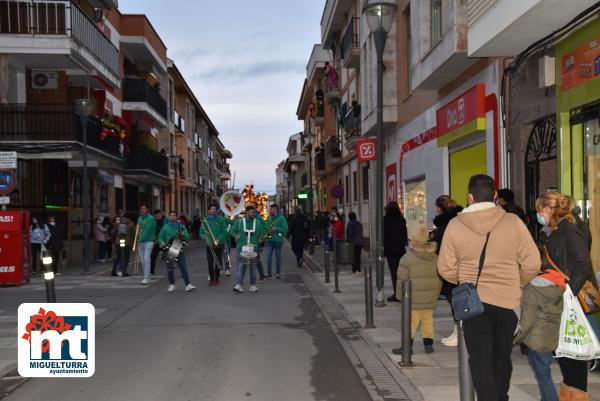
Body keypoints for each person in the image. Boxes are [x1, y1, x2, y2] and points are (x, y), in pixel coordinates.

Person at [437, 174, 540, 401]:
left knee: (480, 358)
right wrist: (516, 281)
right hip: (508, 300)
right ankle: (500, 396)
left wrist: (464, 281)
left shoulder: (455, 225)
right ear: (495, 196)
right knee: (502, 356)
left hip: (473, 304)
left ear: (470, 197)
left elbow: (444, 268)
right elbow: (533, 263)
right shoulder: (513, 222)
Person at [536, 192, 593, 400]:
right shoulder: (557, 231)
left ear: (549, 210)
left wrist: (569, 291)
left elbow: (583, 264)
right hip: (561, 299)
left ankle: (576, 394)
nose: (538, 214)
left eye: (539, 210)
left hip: (569, 300)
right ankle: (569, 393)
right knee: (566, 353)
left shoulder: (568, 231)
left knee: (573, 354)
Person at [514, 266, 565, 401]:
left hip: (535, 340)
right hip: (550, 337)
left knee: (543, 375)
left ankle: (550, 398)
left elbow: (527, 322)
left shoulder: (532, 290)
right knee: (545, 371)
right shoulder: (557, 286)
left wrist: (514, 339)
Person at [392, 225, 441, 355]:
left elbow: (401, 280)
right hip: (430, 298)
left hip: (412, 299)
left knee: (411, 323)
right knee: (428, 321)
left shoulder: (407, 258)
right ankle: (428, 345)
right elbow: (440, 278)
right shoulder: (435, 257)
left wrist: (399, 296)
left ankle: (407, 347)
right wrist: (436, 294)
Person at [432, 195, 463, 346]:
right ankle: (456, 331)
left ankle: (459, 333)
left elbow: (446, 247)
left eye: (436, 207)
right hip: (456, 265)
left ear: (440, 208)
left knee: (455, 300)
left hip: (452, 267)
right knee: (455, 300)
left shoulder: (446, 224)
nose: (435, 210)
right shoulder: (456, 219)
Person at [158, 211, 196, 292]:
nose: (172, 217)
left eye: (174, 215)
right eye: (171, 216)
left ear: (176, 217)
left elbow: (187, 237)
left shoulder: (181, 226)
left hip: (178, 246)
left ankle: (188, 285)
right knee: (170, 268)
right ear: (169, 217)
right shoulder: (165, 227)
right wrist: (162, 242)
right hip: (169, 248)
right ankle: (172, 284)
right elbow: (160, 237)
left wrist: (183, 235)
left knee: (183, 267)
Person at [231, 205, 264, 293]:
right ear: (247, 212)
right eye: (252, 212)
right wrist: (235, 235)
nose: (253, 214)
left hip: (253, 247)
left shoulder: (257, 222)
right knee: (241, 266)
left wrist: (261, 238)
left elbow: (262, 232)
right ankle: (239, 285)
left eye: (254, 212)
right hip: (241, 247)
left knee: (253, 267)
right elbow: (232, 230)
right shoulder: (239, 222)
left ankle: (252, 285)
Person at [383, 201, 408, 302]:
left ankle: (397, 294)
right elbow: (404, 235)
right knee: (402, 273)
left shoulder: (385, 220)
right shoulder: (402, 220)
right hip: (400, 251)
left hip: (390, 252)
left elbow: (383, 236)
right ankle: (403, 292)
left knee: (394, 273)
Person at [199, 204, 229, 286]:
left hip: (220, 244)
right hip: (209, 244)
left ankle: (217, 278)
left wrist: (219, 239)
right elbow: (201, 233)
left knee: (218, 261)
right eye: (212, 209)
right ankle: (211, 279)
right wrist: (204, 237)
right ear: (209, 211)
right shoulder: (205, 221)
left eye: (215, 209)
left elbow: (224, 231)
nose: (214, 210)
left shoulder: (221, 219)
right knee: (210, 262)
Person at [264, 204, 289, 279]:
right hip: (270, 241)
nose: (269, 210)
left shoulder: (281, 218)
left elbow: (285, 229)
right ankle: (269, 273)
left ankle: (278, 272)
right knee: (268, 257)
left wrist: (276, 229)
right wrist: (266, 236)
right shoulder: (269, 218)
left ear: (275, 209)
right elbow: (266, 228)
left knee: (278, 258)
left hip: (278, 240)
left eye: (271, 209)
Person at [137, 204, 157, 285]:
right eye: (141, 208)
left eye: (144, 208)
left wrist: (141, 238)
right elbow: (138, 229)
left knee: (146, 258)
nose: (142, 210)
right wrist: (137, 238)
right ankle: (146, 276)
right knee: (142, 260)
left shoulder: (151, 218)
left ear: (147, 209)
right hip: (141, 241)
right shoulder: (139, 218)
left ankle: (146, 278)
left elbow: (148, 231)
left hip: (149, 241)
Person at [150, 210, 167, 275]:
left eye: (158, 216)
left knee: (168, 256)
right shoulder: (153, 221)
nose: (157, 217)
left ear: (161, 214)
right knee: (153, 256)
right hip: (156, 241)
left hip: (164, 241)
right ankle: (151, 271)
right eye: (156, 216)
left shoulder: (166, 220)